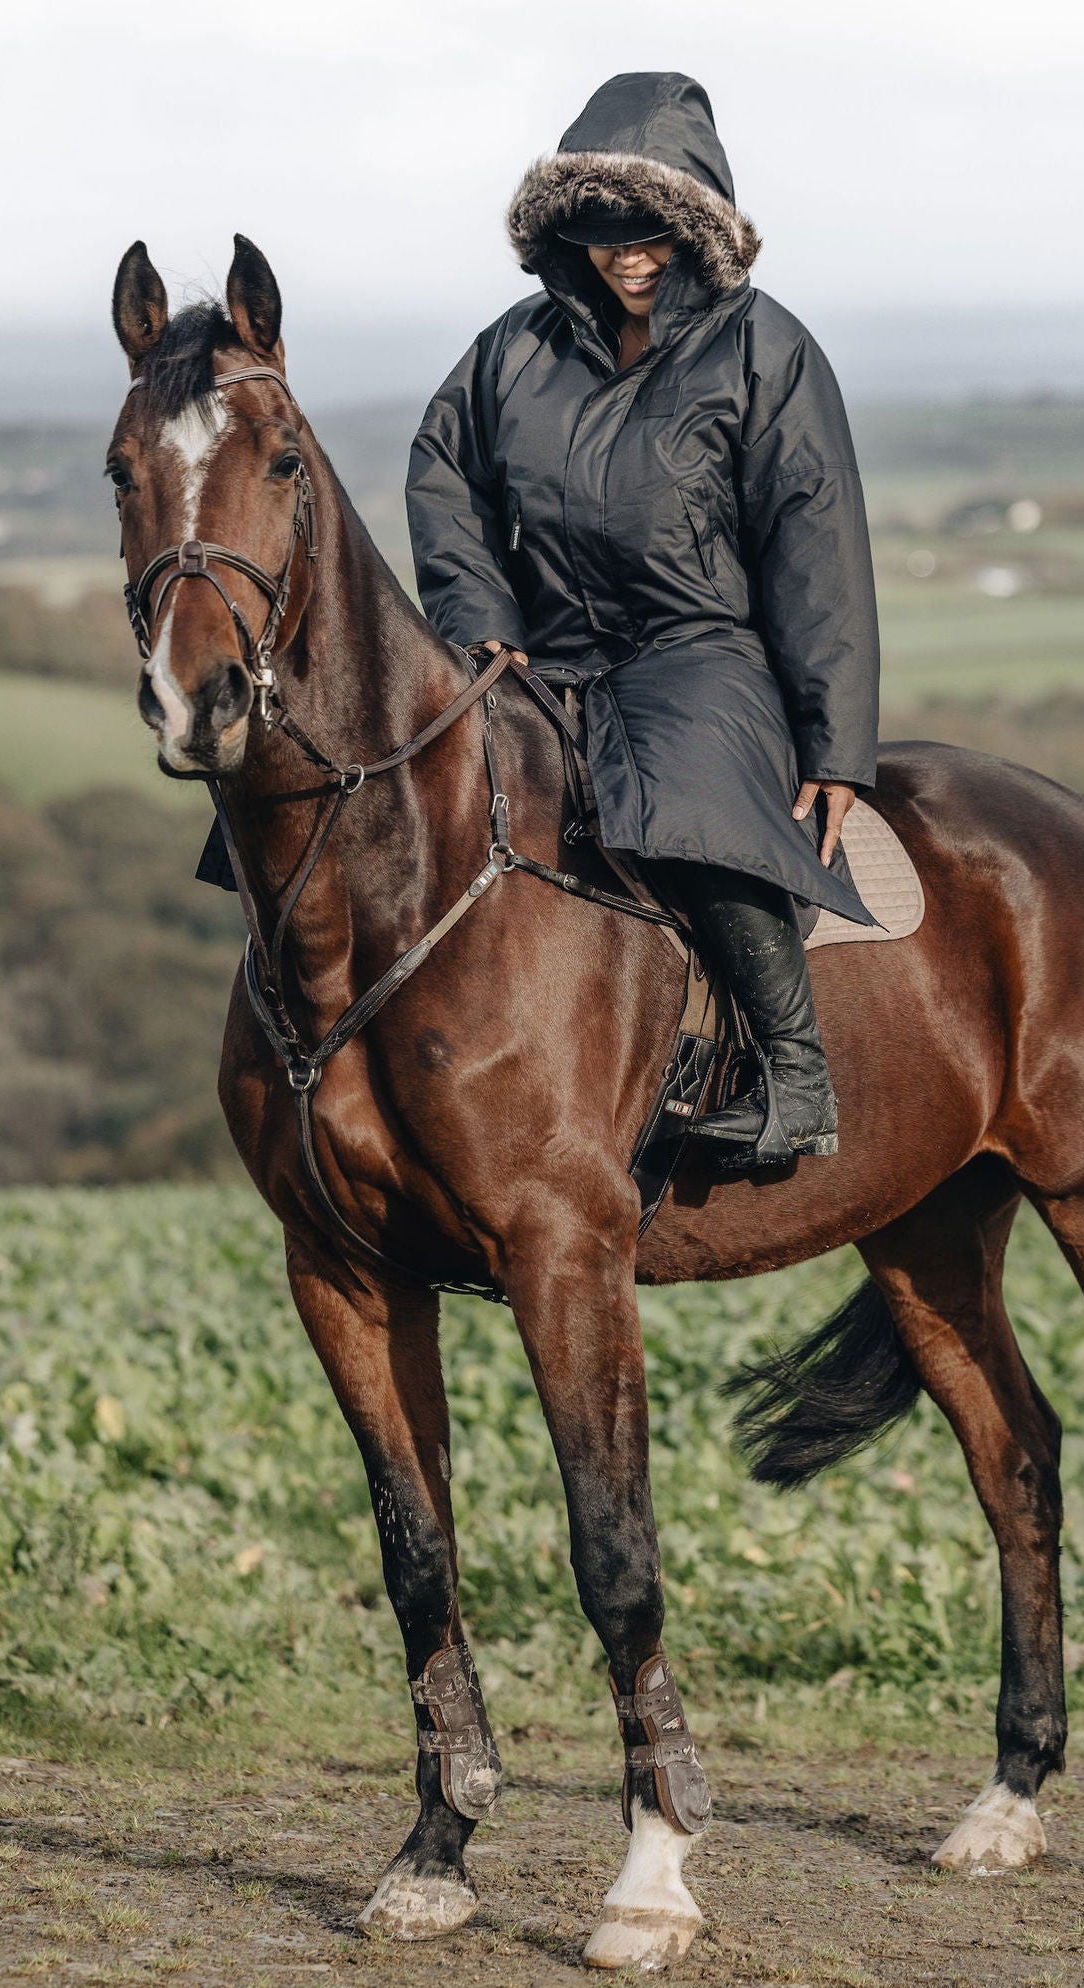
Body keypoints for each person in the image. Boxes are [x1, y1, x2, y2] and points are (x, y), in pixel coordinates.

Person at [408, 71, 880, 1170]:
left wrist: (834, 745)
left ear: (694, 226)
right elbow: (444, 480)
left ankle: (796, 1078)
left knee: (693, 797)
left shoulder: (768, 350)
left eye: (648, 233)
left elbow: (818, 551)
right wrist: (480, 620)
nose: (626, 257)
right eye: (600, 233)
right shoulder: (507, 352)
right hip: (536, 653)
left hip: (695, 648)